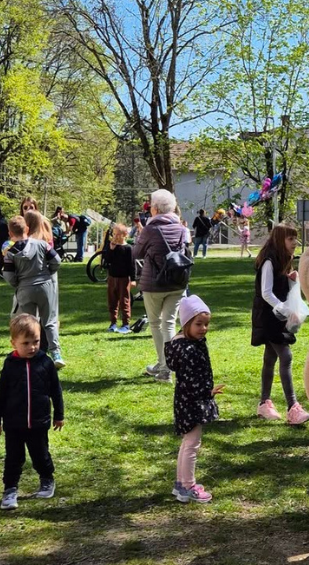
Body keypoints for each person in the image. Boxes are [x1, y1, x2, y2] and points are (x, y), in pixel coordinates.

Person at [0, 313, 64, 511]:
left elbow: (56, 391)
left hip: (39, 423)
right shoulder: (10, 365)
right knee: (13, 458)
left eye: (36, 342)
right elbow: (1, 394)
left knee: (41, 455)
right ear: (13, 343)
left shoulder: (45, 363)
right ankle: (10, 489)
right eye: (26, 343)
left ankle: (47, 479)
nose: (32, 347)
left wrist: (59, 415)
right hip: (14, 423)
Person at [252, 223, 309, 425]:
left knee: (270, 359)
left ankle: (264, 403)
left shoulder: (284, 260)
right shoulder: (269, 261)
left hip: (278, 316)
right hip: (270, 318)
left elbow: (285, 288)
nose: (295, 243)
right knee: (285, 357)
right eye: (290, 239)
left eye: (295, 238)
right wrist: (285, 310)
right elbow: (266, 292)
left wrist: (294, 281)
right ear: (280, 240)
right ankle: (293, 407)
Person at [166, 295, 222, 503]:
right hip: (192, 402)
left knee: (188, 443)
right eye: (199, 324)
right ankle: (188, 486)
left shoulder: (185, 344)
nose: (204, 329)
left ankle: (181, 484)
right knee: (192, 444)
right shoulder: (189, 350)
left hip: (185, 400)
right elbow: (192, 381)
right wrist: (207, 393)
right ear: (186, 323)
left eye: (206, 324)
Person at [134, 189, 189, 382]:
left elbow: (137, 253)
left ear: (155, 208)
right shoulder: (181, 228)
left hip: (154, 283)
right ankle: (163, 363)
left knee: (157, 324)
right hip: (177, 281)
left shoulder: (150, 229)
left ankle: (165, 367)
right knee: (169, 323)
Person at [3, 215, 64, 367]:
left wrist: (18, 282)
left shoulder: (10, 252)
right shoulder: (43, 244)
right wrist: (48, 272)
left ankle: (32, 355)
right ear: (27, 229)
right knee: (49, 321)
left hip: (25, 288)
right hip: (45, 286)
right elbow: (56, 260)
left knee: (30, 322)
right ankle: (56, 353)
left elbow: (8, 275)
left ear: (10, 233)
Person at [105, 224, 136, 333]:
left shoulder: (128, 248)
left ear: (125, 235)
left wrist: (133, 279)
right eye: (114, 234)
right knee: (112, 300)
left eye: (118, 234)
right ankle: (113, 323)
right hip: (112, 277)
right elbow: (107, 261)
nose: (116, 237)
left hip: (124, 278)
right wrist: (111, 250)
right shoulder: (112, 246)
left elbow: (132, 265)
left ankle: (126, 324)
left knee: (124, 301)